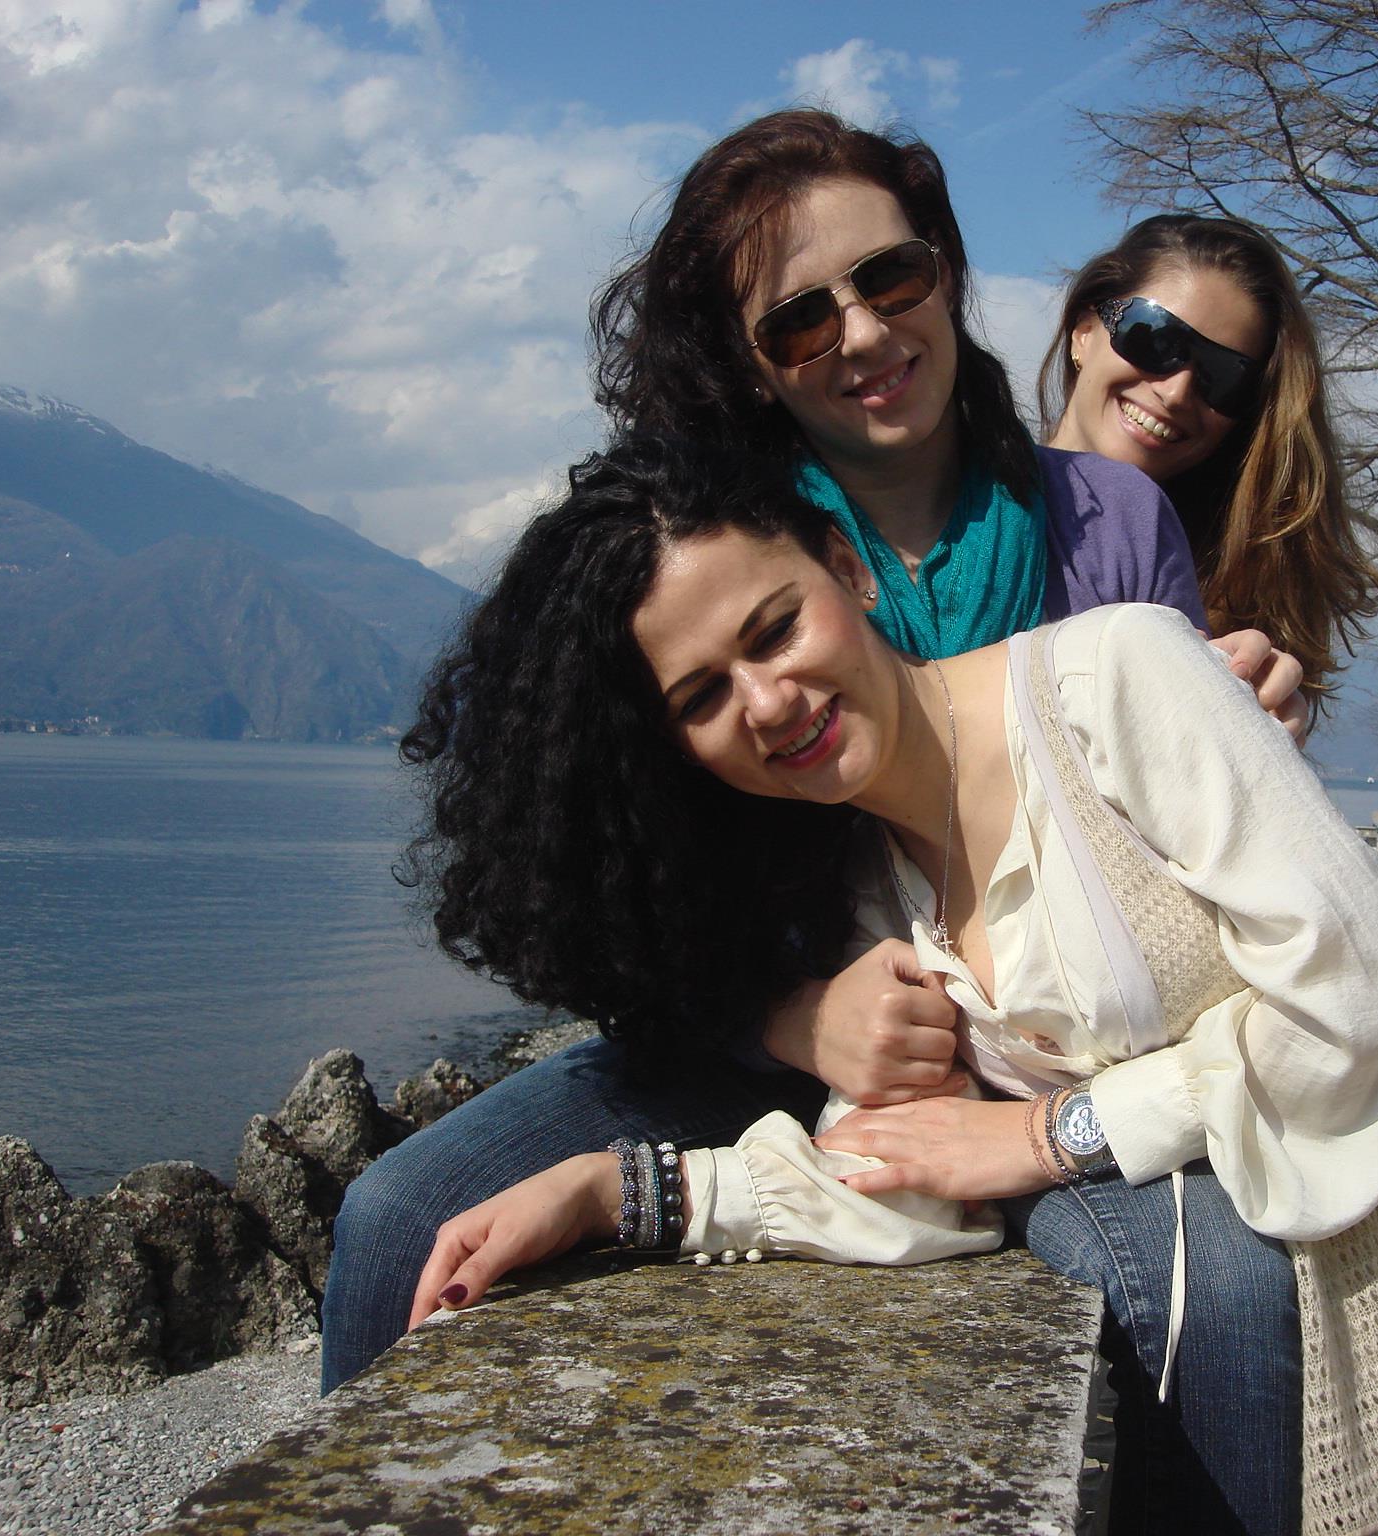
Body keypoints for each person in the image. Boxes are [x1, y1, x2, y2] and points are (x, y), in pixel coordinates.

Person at [404, 438, 1378, 1536]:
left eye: (772, 629)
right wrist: (619, 1192)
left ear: (844, 568)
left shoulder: (1113, 679)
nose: (765, 701)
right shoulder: (866, 898)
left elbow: (1360, 998)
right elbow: (904, 1178)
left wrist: (1047, 1133)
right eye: (703, 696)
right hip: (1366, 1306)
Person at [324, 110, 1309, 1533]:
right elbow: (625, 894)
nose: (862, 332)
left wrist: (1237, 719)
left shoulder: (1109, 520)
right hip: (765, 1041)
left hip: (1025, 1074)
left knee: (1216, 1289)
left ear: (944, 271)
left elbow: (1156, 852)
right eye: (797, 318)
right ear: (741, 359)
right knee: (394, 1220)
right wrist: (798, 1018)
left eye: (890, 276)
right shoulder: (706, 545)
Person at [1044, 215, 1378, 722]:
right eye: (1154, 338)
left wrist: (1260, 713)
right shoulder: (953, 499)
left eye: (1224, 377)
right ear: (1085, 332)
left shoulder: (1230, 614)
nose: (1176, 391)